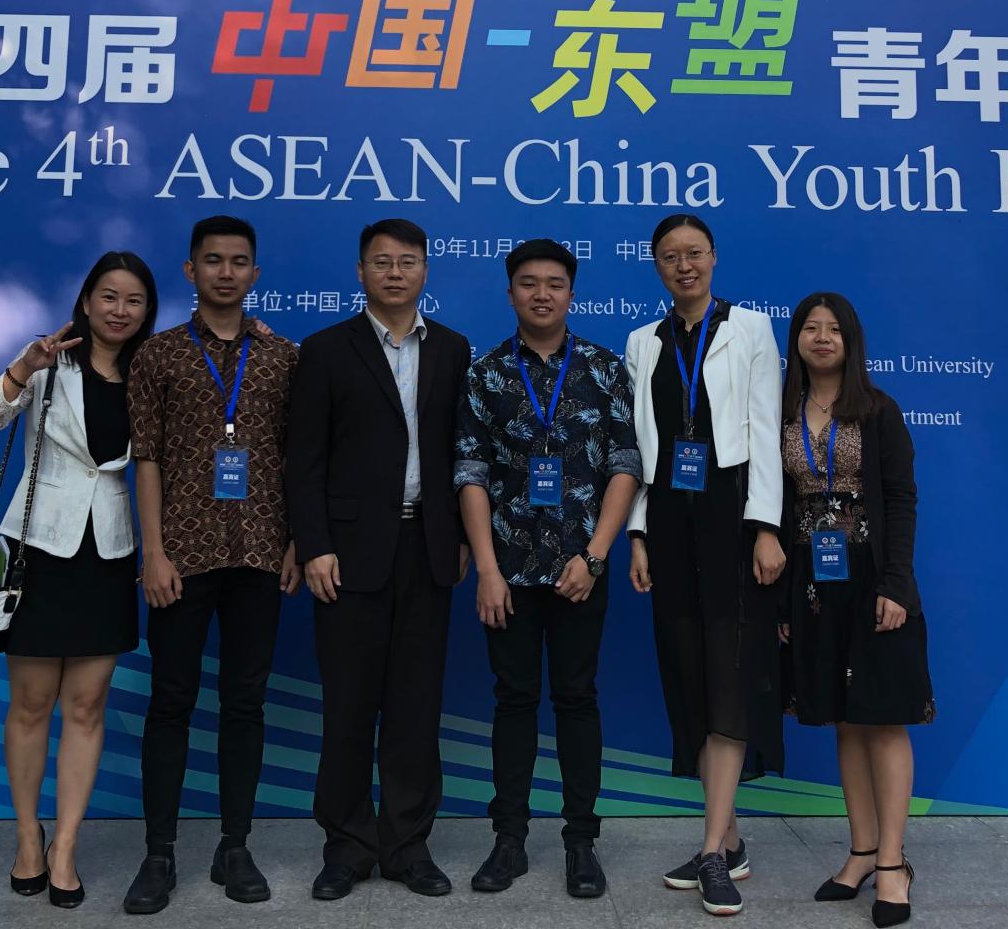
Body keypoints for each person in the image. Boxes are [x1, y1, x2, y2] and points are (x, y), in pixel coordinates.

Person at [120, 217, 302, 915]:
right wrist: (154, 551)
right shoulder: (158, 355)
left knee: (245, 702)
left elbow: (297, 456)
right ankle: (158, 853)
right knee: (171, 701)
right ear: (190, 270)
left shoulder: (283, 357)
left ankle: (235, 847)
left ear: (255, 273)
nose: (226, 272)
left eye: (239, 261)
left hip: (260, 552)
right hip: (182, 558)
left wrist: (294, 541)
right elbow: (146, 457)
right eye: (213, 261)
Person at [286, 218, 472, 900]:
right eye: (382, 262)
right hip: (348, 553)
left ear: (426, 270)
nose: (396, 273)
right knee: (348, 706)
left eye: (408, 261)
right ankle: (346, 846)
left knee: (415, 707)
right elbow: (303, 460)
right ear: (360, 272)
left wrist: (459, 536)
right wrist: (314, 545)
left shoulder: (452, 348)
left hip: (428, 547)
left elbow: (460, 452)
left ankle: (406, 846)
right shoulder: (325, 350)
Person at [0, 251, 157, 911]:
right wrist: (23, 368)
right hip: (38, 549)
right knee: (31, 704)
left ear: (147, 310)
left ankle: (66, 846)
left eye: (133, 300)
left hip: (109, 553)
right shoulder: (51, 362)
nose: (119, 310)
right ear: (86, 300)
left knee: (86, 707)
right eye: (108, 296)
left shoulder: (151, 371)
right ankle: (28, 835)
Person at [455, 238, 643, 899]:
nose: (542, 294)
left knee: (576, 699)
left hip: (579, 572)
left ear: (571, 293)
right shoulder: (485, 373)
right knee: (513, 701)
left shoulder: (603, 368)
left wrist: (595, 556)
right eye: (529, 283)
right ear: (511, 292)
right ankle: (508, 839)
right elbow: (471, 474)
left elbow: (625, 466)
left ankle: (580, 842)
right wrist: (486, 569)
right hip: (506, 573)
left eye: (555, 284)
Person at [624, 213, 785, 918]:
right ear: (656, 266)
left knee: (727, 679)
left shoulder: (750, 328)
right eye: (669, 256)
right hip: (668, 521)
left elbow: (765, 429)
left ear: (714, 258)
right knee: (689, 680)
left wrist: (766, 526)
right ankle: (732, 837)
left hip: (730, 518)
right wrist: (637, 534)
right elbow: (640, 446)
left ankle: (713, 853)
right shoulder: (643, 340)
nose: (683, 265)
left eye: (694, 253)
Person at [781, 292, 933, 928]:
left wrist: (896, 584)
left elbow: (901, 498)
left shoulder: (878, 410)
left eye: (834, 329)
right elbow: (777, 505)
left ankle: (894, 863)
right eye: (810, 328)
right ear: (796, 339)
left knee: (884, 718)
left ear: (851, 341)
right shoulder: (781, 411)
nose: (821, 337)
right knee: (844, 721)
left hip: (873, 579)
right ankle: (862, 850)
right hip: (813, 583)